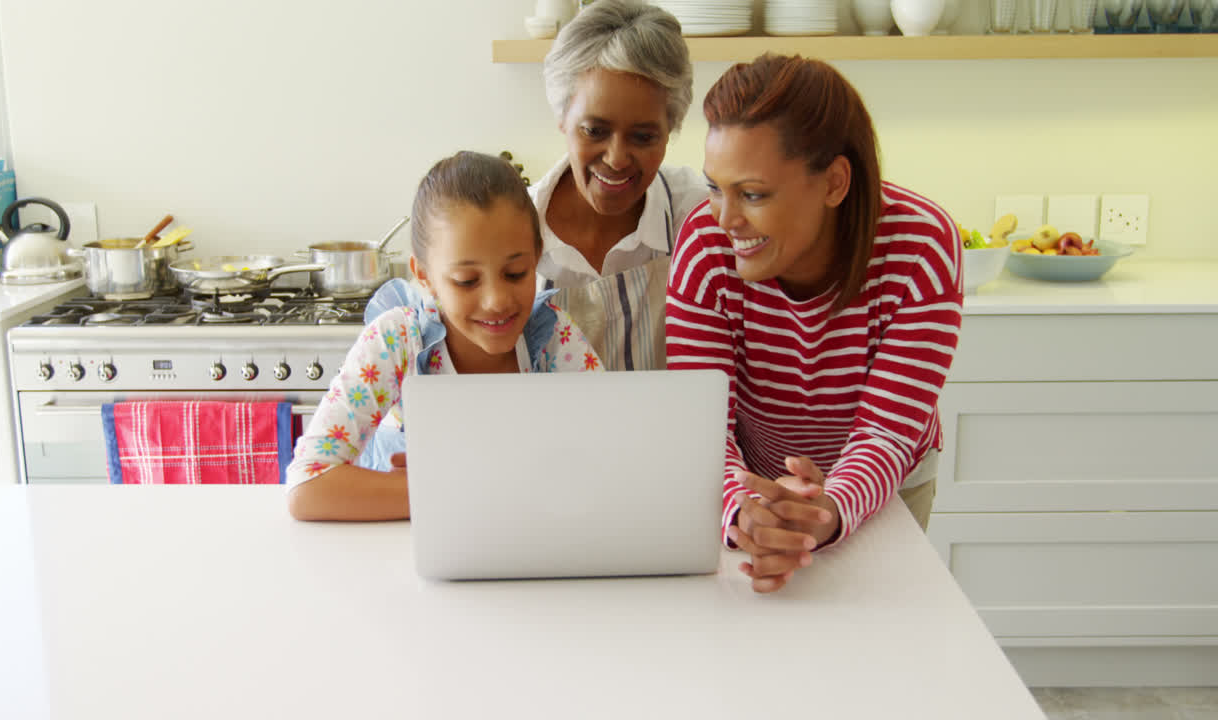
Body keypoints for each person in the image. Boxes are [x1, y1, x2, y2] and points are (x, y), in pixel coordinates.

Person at [666, 54, 964, 593]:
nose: (725, 219)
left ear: (834, 182)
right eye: (715, 187)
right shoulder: (703, 243)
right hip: (749, 481)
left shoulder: (922, 247)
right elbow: (703, 426)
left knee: (876, 633)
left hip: (888, 484)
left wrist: (827, 511)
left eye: (752, 194)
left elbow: (887, 431)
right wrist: (745, 511)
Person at [286, 151, 603, 521]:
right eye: (466, 281)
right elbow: (308, 487)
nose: (497, 301)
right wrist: (464, 488)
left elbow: (606, 461)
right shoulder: (398, 340)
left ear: (536, 258)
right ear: (423, 275)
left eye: (516, 273)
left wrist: (457, 485)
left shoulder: (553, 338)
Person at [532, 0, 708, 371]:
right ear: (562, 117)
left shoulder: (695, 215)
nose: (616, 158)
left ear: (669, 130)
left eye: (643, 137)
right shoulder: (514, 227)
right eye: (595, 130)